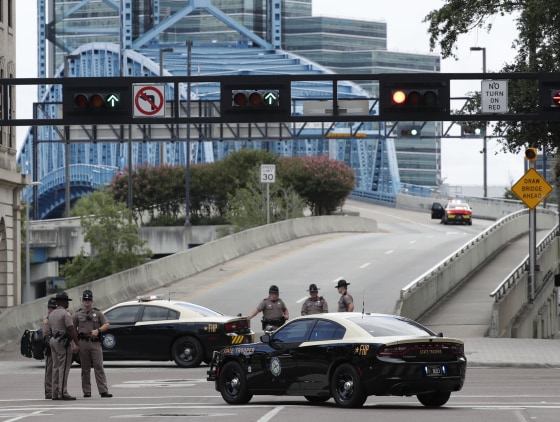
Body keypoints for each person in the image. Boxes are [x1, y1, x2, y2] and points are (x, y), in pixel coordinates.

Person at [73, 290, 113, 398]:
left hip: (95, 342)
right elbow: (72, 329)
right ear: (82, 301)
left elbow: (107, 325)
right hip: (82, 342)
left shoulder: (98, 313)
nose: (87, 301)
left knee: (98, 366)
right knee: (85, 369)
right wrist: (75, 344)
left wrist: (98, 331)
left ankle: (103, 390)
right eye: (85, 299)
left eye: (89, 299)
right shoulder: (77, 314)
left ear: (92, 300)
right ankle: (87, 391)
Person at [47, 291, 79, 400]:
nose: (67, 303)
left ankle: (55, 393)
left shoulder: (51, 314)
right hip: (62, 341)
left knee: (55, 367)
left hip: (53, 340)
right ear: (63, 302)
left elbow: (49, 330)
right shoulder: (66, 313)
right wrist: (77, 343)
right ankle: (62, 392)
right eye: (66, 301)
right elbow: (71, 329)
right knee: (64, 367)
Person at [41, 297, 57, 399]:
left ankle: (56, 390)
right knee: (49, 369)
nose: (52, 310)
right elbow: (46, 333)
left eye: (54, 308)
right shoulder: (46, 319)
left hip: (58, 345)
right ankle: (48, 391)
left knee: (57, 369)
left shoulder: (58, 317)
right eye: (51, 308)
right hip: (49, 345)